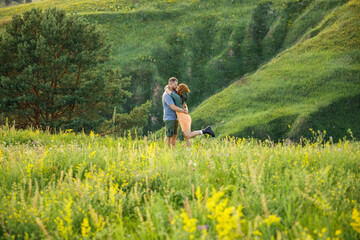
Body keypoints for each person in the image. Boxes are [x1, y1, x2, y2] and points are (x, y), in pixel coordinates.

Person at [165, 83, 215, 147]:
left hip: (183, 118)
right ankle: (188, 151)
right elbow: (185, 107)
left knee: (188, 135)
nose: (177, 87)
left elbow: (168, 92)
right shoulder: (182, 98)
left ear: (180, 90)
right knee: (187, 137)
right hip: (186, 117)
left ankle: (205, 131)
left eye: (178, 87)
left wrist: (166, 87)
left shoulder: (177, 97)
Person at [162, 77, 188, 147]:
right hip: (170, 118)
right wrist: (183, 111)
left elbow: (182, 101)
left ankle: (173, 152)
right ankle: (166, 152)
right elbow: (173, 107)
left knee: (174, 136)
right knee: (168, 136)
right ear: (170, 84)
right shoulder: (166, 95)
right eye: (175, 85)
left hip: (176, 118)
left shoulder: (174, 92)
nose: (176, 86)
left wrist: (186, 108)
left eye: (177, 84)